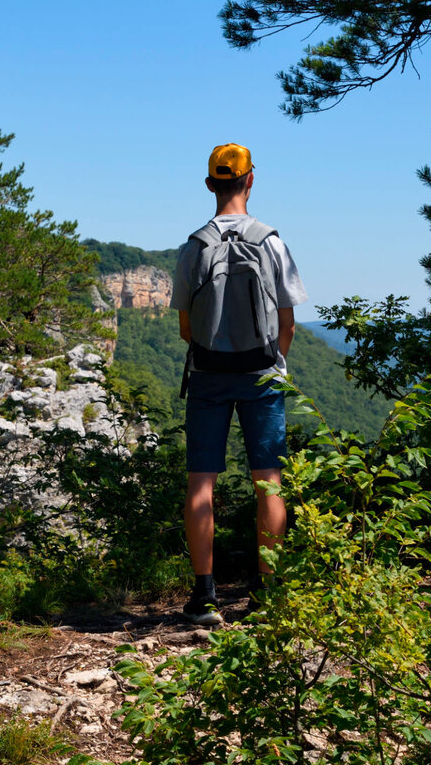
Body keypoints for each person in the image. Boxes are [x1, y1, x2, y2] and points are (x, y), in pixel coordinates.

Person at [170, 143, 308, 625]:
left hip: (208, 375)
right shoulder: (271, 242)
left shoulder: (194, 246)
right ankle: (267, 593)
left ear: (210, 184)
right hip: (261, 375)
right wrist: (273, 363)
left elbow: (187, 328)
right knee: (268, 482)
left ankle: (204, 596)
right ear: (251, 180)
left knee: (200, 482)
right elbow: (287, 322)